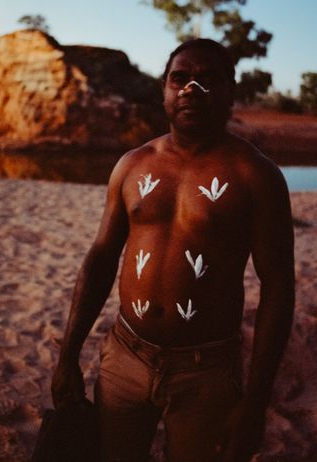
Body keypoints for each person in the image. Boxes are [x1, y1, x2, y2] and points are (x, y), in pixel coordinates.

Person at [51, 38, 295, 462]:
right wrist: (68, 354)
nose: (191, 90)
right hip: (126, 357)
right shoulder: (132, 165)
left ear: (229, 93)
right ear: (164, 90)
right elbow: (102, 256)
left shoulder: (256, 176)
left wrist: (255, 403)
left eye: (206, 79)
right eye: (179, 79)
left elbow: (278, 287)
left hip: (206, 371)